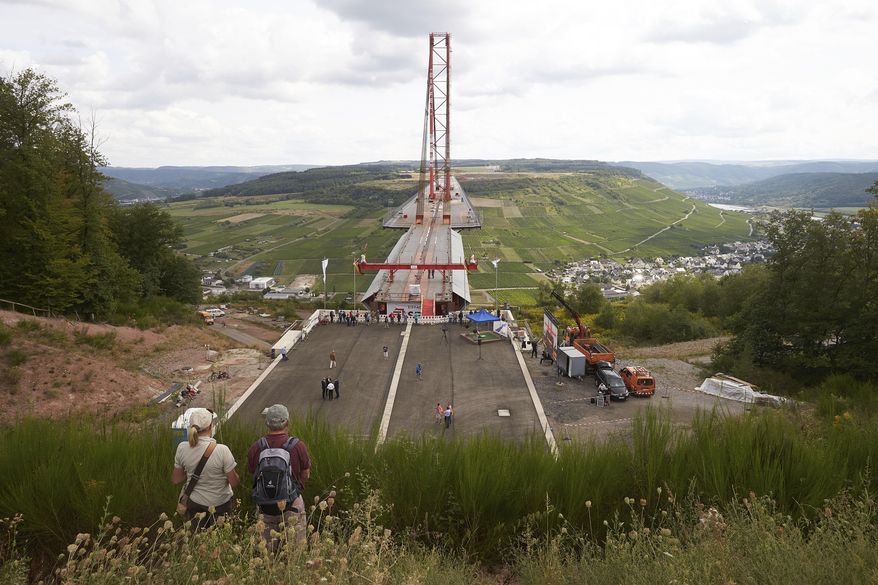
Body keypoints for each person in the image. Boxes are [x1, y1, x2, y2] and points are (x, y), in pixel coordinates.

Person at [248, 405, 311, 549]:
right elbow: (306, 474)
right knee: (295, 550)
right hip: (291, 504)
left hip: (265, 506)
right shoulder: (297, 446)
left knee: (267, 553)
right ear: (287, 422)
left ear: (267, 423)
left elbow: (253, 471)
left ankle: (270, 570)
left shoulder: (256, 447)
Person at [172, 408, 239, 529]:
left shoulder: (182, 447)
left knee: (197, 540)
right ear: (210, 426)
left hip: (194, 504)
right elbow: (234, 482)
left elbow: (176, 479)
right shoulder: (222, 450)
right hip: (220, 504)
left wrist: (190, 472)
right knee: (219, 540)